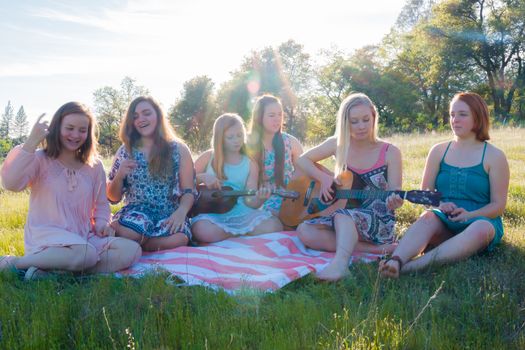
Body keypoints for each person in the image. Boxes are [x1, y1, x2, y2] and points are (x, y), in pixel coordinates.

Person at [0, 102, 141, 279]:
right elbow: (10, 184)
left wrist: (101, 222)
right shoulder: (40, 159)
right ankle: (15, 263)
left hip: (83, 236)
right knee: (86, 255)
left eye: (82, 130)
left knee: (132, 250)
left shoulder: (94, 165)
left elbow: (101, 204)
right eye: (70, 128)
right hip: (46, 236)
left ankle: (57, 273)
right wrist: (29, 144)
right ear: (57, 127)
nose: (76, 135)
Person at [379, 92, 509, 278]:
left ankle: (411, 268)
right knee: (428, 217)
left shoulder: (494, 156)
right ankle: (396, 260)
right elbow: (426, 195)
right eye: (452, 114)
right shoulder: (438, 151)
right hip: (445, 220)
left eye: (462, 114)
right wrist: (439, 205)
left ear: (478, 117)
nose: (455, 119)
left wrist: (469, 215)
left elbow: (498, 206)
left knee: (482, 229)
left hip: (479, 222)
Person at [296, 93, 403, 281]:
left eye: (365, 120)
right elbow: (302, 160)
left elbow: (395, 191)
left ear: (374, 117)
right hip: (343, 212)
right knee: (304, 230)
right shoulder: (338, 144)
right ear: (345, 122)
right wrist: (324, 178)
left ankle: (340, 264)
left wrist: (395, 201)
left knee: (342, 216)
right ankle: (377, 250)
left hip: (377, 219)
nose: (361, 126)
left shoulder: (390, 152)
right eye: (354, 121)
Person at [107, 96, 195, 251]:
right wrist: (119, 176)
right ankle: (134, 239)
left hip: (168, 212)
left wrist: (181, 212)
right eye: (135, 117)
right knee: (132, 232)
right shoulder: (125, 151)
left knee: (180, 238)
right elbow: (113, 198)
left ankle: (139, 244)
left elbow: (188, 190)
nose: (141, 119)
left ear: (158, 115)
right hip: (137, 213)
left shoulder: (178, 149)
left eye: (146, 113)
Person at [191, 113, 280, 242]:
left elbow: (250, 202)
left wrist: (260, 199)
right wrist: (202, 178)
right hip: (213, 213)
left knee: (274, 225)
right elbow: (185, 181)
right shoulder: (208, 157)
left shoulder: (250, 163)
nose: (236, 140)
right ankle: (240, 233)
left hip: (241, 212)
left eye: (239, 135)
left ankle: (231, 233)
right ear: (220, 138)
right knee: (201, 230)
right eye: (230, 137)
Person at [246, 94, 303, 225]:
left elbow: (303, 174)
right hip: (263, 200)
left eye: (279, 114)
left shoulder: (290, 142)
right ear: (259, 118)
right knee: (268, 216)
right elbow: (250, 189)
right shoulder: (249, 145)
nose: (277, 119)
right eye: (271, 115)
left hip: (292, 197)